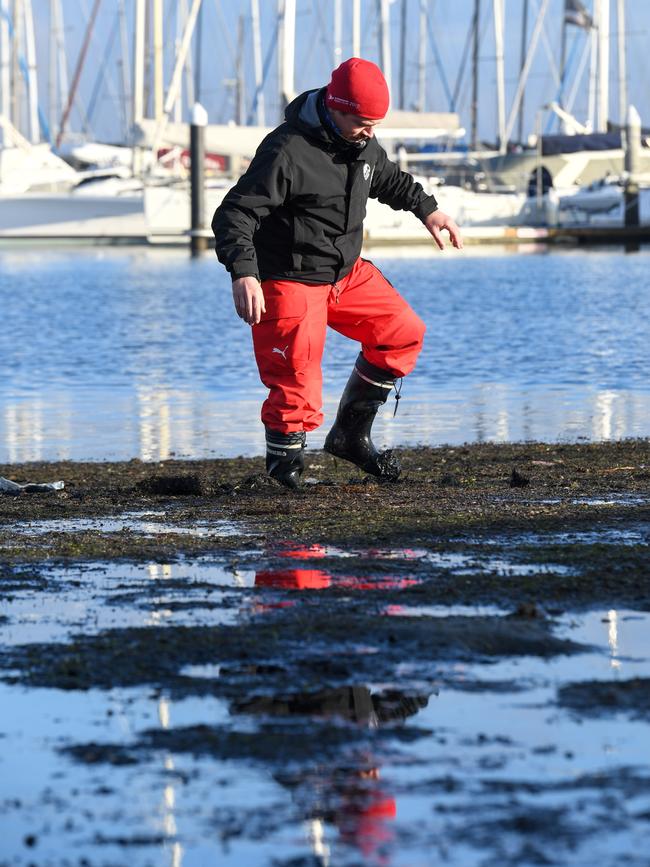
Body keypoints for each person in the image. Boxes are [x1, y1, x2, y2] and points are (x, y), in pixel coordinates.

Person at [212, 57, 462, 490]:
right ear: (335, 105)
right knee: (297, 386)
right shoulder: (286, 150)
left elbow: (387, 178)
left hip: (345, 274)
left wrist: (428, 209)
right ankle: (283, 475)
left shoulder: (363, 144)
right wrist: (244, 273)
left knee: (402, 332)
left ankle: (350, 436)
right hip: (289, 278)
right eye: (362, 122)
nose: (370, 131)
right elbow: (234, 214)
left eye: (375, 124)